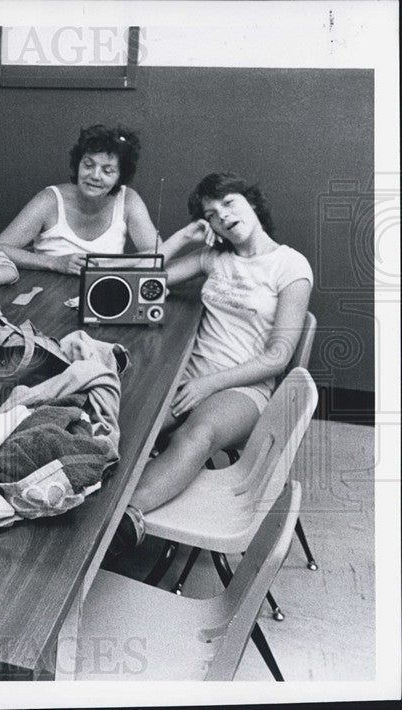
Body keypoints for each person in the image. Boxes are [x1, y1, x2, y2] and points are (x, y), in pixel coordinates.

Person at [112, 172, 313, 550]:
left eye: (229, 203)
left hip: (243, 388)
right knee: (129, 422)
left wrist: (209, 384)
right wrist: (180, 240)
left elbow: (278, 357)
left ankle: (124, 520)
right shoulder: (212, 258)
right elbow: (133, 285)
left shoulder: (290, 265)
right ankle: (92, 501)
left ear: (252, 202)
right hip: (190, 377)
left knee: (198, 433)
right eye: (212, 214)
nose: (223, 215)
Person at [0, 124, 158, 275]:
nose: (94, 176)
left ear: (120, 177)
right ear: (77, 164)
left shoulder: (128, 199)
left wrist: (106, 265)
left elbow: (157, 254)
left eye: (107, 171)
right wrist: (54, 262)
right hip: (47, 295)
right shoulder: (49, 200)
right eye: (88, 165)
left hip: (103, 294)